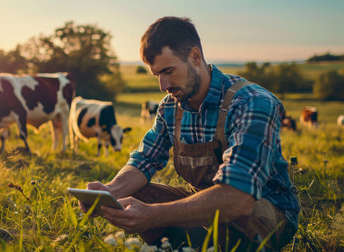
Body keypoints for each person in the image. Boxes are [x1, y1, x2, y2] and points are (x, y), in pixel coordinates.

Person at [80, 16, 300, 251]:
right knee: (135, 194)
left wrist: (154, 215)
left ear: (195, 57)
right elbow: (144, 160)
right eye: (157, 75)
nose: (163, 85)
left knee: (232, 213)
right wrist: (110, 191)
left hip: (261, 209)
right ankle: (183, 246)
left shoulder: (252, 102)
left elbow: (237, 199)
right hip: (206, 208)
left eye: (168, 71)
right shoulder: (169, 107)